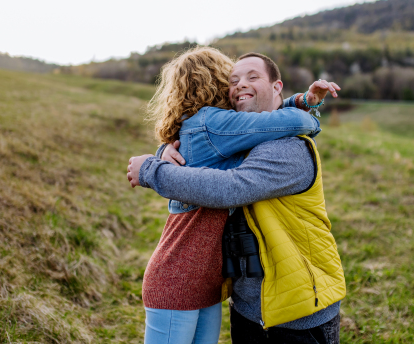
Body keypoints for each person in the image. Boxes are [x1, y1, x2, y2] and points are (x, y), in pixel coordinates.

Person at [128, 52, 345, 344]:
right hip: (246, 306)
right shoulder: (237, 138)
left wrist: (152, 171)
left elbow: (232, 187)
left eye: (252, 77)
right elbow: (204, 145)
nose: (241, 85)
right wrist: (162, 153)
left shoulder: (285, 149)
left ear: (277, 87)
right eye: (233, 80)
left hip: (296, 313)